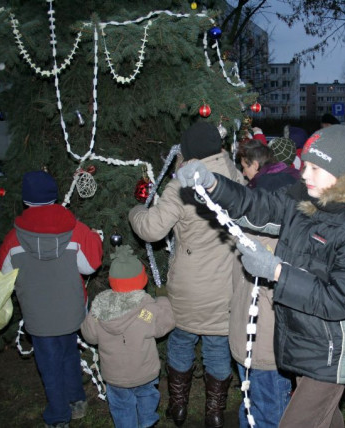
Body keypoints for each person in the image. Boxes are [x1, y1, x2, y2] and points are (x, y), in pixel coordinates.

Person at [177, 124, 345, 428]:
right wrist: (213, 185)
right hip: (301, 338)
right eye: (306, 164)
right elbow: (258, 205)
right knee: (325, 420)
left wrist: (276, 270)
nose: (304, 173)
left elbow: (338, 301)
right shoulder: (306, 199)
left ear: (341, 172)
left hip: (332, 352)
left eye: (315, 167)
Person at [128, 121, 244, 428]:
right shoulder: (236, 177)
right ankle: (215, 413)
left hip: (189, 287)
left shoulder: (182, 185)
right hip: (226, 285)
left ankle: (178, 407)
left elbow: (151, 230)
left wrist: (136, 211)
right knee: (218, 346)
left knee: (181, 340)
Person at [0, 171, 103, 428]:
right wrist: (94, 238)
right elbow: (90, 266)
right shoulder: (75, 229)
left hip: (38, 317)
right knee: (69, 354)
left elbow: (3, 277)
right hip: (71, 312)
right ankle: (77, 400)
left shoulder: (13, 238)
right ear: (55, 196)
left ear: (26, 200)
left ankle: (58, 416)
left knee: (49, 364)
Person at [231, 141, 299, 427]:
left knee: (266, 409)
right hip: (260, 343)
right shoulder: (294, 230)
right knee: (259, 404)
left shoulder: (258, 232)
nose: (243, 174)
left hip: (262, 346)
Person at [81, 245, 175, 428]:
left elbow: (89, 336)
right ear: (141, 281)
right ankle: (147, 422)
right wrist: (163, 300)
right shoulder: (147, 310)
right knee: (147, 397)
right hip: (145, 373)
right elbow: (166, 323)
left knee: (121, 407)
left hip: (115, 377)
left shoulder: (99, 309)